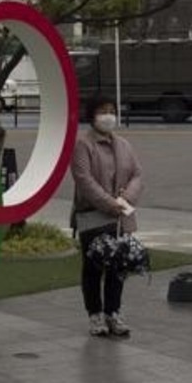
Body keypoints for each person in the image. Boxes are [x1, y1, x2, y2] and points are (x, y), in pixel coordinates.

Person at [70, 95, 144, 339]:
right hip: (93, 216)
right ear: (92, 115)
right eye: (103, 111)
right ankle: (95, 315)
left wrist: (126, 200)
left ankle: (114, 312)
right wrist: (109, 203)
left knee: (118, 266)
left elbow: (136, 175)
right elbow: (84, 180)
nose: (109, 115)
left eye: (112, 110)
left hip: (120, 217)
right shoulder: (83, 144)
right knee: (93, 267)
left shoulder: (123, 144)